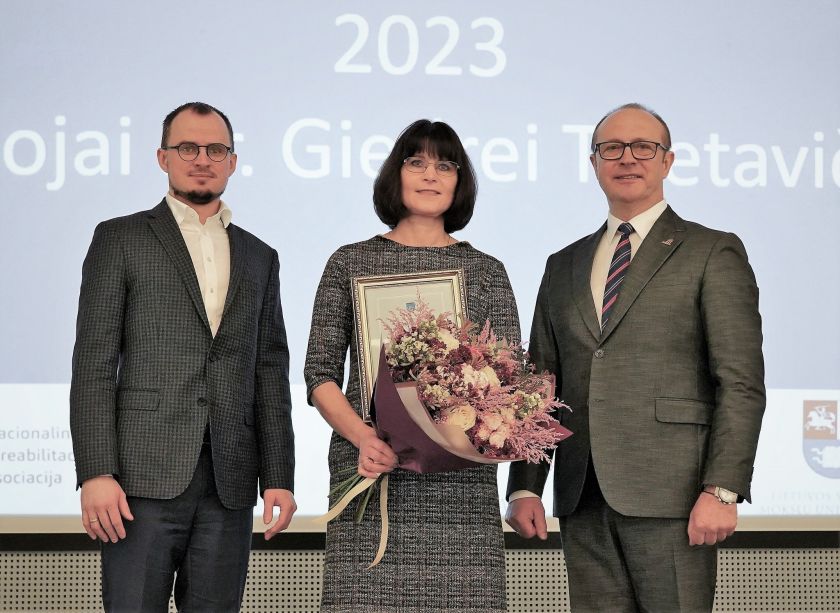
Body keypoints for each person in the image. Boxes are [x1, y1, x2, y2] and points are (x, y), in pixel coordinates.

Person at [506, 103, 765, 612]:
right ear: (594, 163)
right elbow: (540, 384)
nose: (627, 158)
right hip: (583, 495)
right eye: (612, 148)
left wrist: (723, 489)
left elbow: (740, 383)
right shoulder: (563, 264)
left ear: (667, 161)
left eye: (643, 147)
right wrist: (525, 487)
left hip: (675, 496)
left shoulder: (712, 251)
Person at [70, 101, 296, 612]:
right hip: (139, 481)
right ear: (163, 157)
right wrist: (96, 472)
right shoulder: (120, 238)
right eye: (187, 147)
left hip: (229, 482)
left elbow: (269, 371)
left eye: (215, 149)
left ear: (232, 161)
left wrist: (279, 475)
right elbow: (94, 366)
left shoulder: (260, 256)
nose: (202, 159)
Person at [304, 119, 519, 613]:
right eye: (416, 162)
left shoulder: (486, 271)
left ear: (460, 182)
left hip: (460, 488)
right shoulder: (349, 262)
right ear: (394, 175)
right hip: (370, 472)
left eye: (445, 165)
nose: (430, 175)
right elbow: (319, 373)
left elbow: (507, 386)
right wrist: (365, 438)